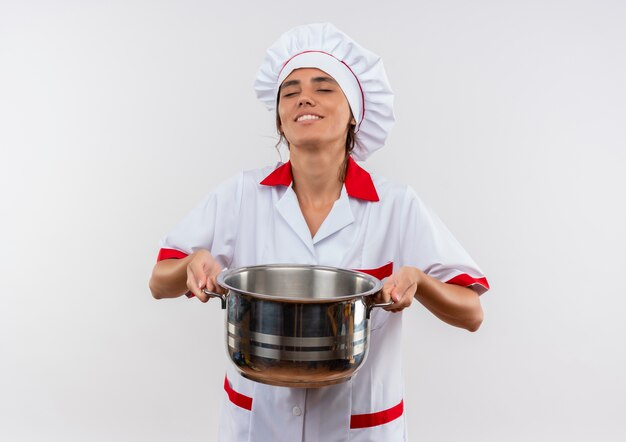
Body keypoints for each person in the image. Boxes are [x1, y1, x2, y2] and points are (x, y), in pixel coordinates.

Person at [149, 23, 489, 442]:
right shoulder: (241, 195)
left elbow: (471, 312)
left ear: (354, 115)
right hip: (258, 426)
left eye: (324, 87)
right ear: (280, 117)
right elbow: (158, 282)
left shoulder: (397, 205)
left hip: (360, 428)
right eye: (290, 91)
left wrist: (419, 282)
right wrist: (191, 264)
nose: (303, 97)